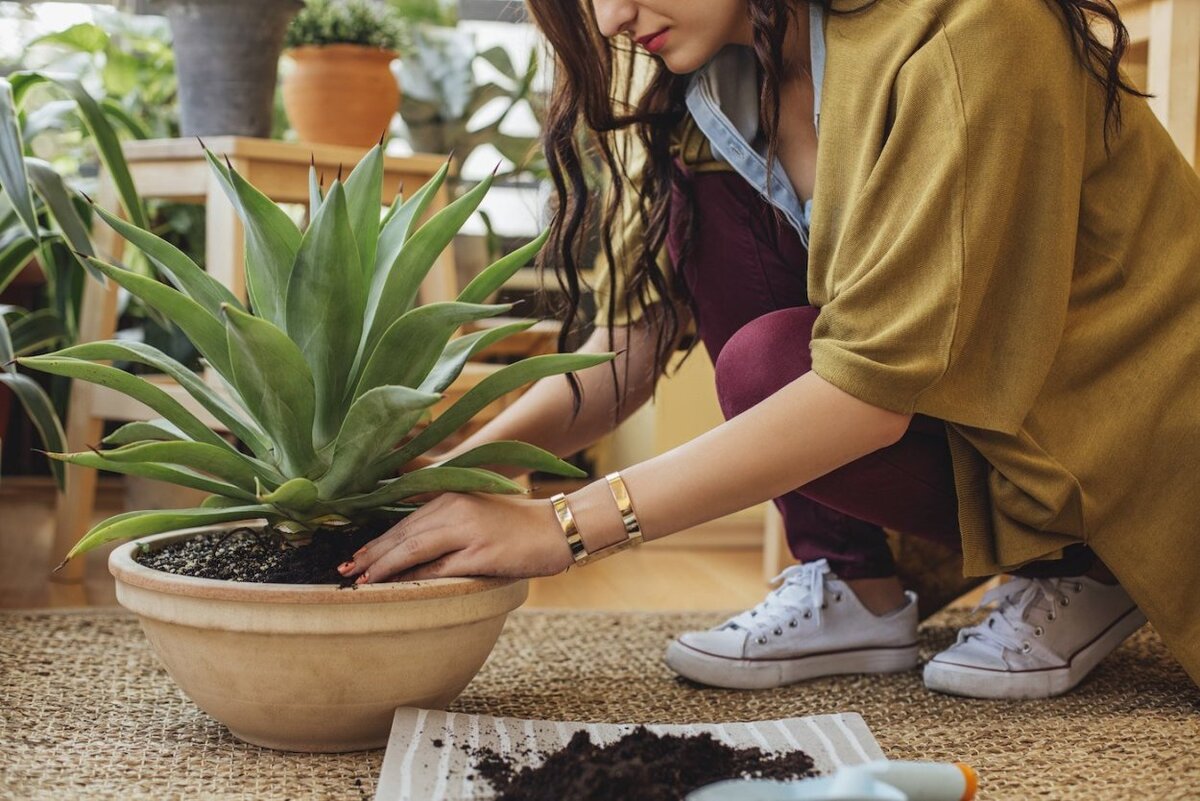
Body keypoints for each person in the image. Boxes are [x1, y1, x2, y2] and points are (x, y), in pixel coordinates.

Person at [340, 0, 1200, 699]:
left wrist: (560, 527)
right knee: (752, 315)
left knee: (768, 366)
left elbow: (869, 389)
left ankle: (1088, 563)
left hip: (1136, 443)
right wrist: (458, 472)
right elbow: (630, 346)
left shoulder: (973, 29)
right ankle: (852, 585)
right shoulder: (726, 75)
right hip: (1000, 434)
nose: (606, 19)